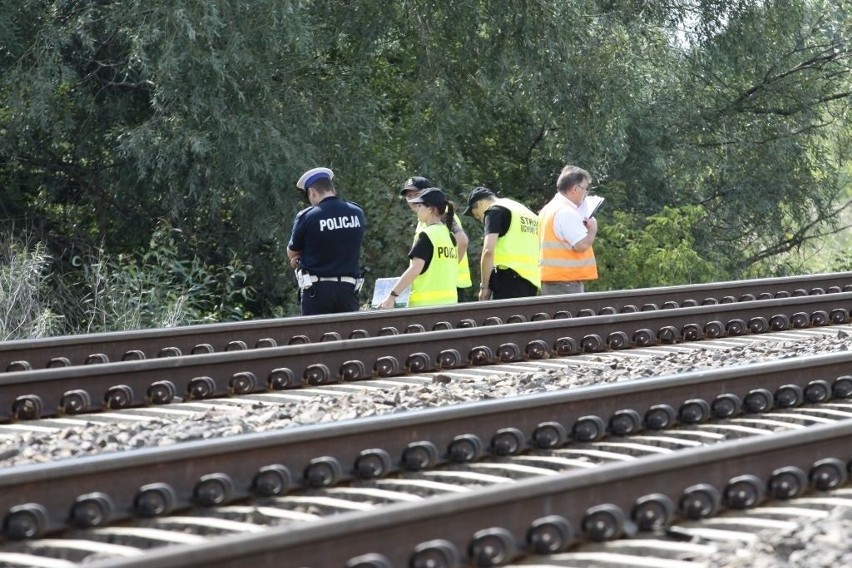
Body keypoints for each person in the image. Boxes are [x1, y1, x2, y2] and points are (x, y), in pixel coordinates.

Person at [287, 167, 366, 315]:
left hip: (317, 292)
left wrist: (299, 257)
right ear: (332, 189)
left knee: (315, 336)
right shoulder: (357, 213)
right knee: (350, 336)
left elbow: (292, 252)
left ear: (312, 192)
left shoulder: (308, 216)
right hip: (349, 291)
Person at [378, 188, 458, 308]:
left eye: (420, 205)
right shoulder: (449, 235)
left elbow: (415, 269)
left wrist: (392, 295)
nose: (417, 209)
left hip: (426, 307)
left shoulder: (427, 235)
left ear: (430, 209)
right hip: (450, 305)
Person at [400, 176, 472, 301]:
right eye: (409, 196)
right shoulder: (425, 219)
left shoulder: (441, 215)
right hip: (443, 289)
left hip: (450, 286)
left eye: (416, 194)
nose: (412, 200)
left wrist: (449, 266)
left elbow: (463, 241)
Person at [462, 186, 540, 300]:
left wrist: (484, 287)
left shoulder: (494, 210)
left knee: (504, 318)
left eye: (478, 216)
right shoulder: (524, 212)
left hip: (508, 281)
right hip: (532, 281)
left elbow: (488, 251)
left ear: (480, 204)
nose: (481, 220)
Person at [538, 165, 598, 295]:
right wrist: (592, 229)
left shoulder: (549, 209)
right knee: (570, 315)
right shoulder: (566, 212)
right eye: (585, 189)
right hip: (566, 281)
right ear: (575, 189)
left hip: (554, 280)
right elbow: (581, 245)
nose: (586, 193)